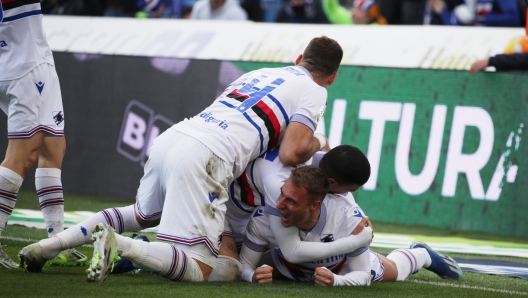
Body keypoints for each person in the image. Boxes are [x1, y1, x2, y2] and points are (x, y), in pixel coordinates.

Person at [20, 36, 369, 284]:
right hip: (208, 156)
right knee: (200, 268)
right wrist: (319, 140)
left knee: (141, 214)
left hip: (176, 136)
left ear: (298, 59)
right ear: (333, 77)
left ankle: (48, 246)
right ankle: (119, 245)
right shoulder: (315, 90)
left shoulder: (258, 73)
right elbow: (294, 151)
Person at [240, 167, 464, 285]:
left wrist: (337, 281)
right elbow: (244, 266)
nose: (278, 205)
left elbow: (363, 276)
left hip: (343, 266)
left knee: (396, 271)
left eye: (291, 201)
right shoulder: (266, 216)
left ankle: (424, 255)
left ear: (315, 204)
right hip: (290, 270)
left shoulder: (348, 218)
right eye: (282, 194)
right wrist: (252, 276)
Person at [0, 0, 86, 268]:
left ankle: (56, 241)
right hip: (25, 66)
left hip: (28, 58)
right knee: (22, 157)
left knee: (53, 147)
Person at [427, 0, 521, 26]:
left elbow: (514, 18)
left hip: (494, 43)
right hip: (469, 47)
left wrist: (479, 20)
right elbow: (456, 31)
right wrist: (443, 11)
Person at [322, 0, 388, 25]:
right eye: (354, 8)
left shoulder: (377, 29)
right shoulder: (348, 20)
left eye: (359, 10)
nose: (354, 12)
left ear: (370, 17)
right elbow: (332, 10)